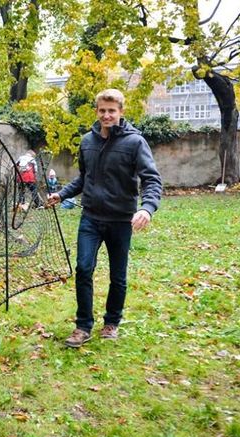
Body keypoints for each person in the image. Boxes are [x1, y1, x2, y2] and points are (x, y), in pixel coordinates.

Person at [47, 88, 162, 348]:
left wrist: (147, 208)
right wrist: (61, 194)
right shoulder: (87, 141)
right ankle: (83, 326)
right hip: (91, 217)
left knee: (117, 276)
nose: (106, 115)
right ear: (97, 111)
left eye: (112, 111)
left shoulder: (135, 143)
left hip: (121, 220)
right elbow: (83, 178)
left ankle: (111, 323)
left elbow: (152, 179)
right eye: (102, 110)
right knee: (83, 268)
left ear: (120, 112)